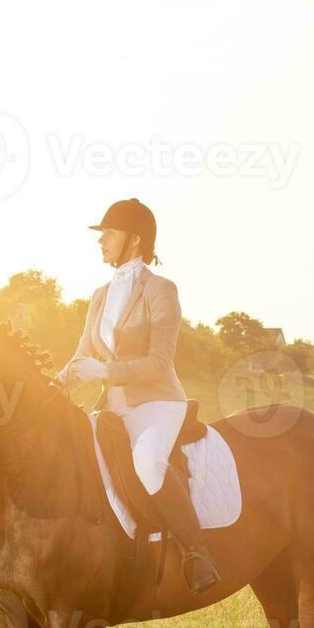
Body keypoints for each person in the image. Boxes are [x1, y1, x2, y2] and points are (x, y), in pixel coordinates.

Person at [58, 198, 221, 595]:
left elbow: (160, 363)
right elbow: (83, 355)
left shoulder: (161, 290)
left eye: (108, 234)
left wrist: (108, 371)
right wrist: (55, 383)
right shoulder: (99, 295)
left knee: (148, 462)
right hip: (111, 407)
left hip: (156, 403)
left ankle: (197, 553)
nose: (101, 242)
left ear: (133, 239)